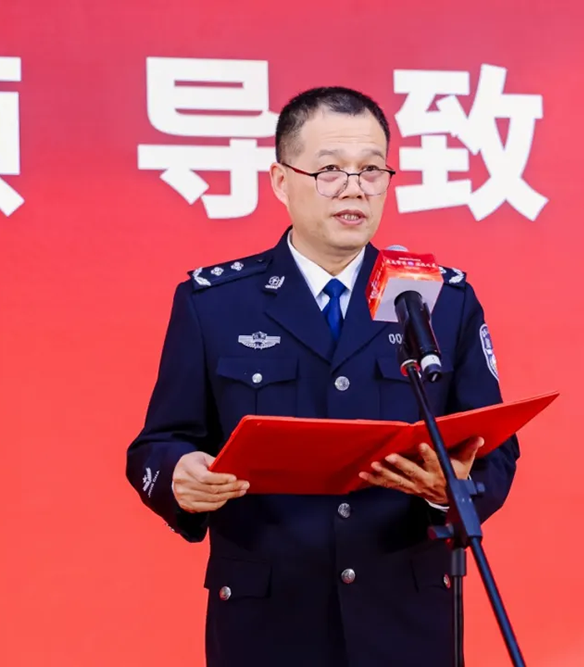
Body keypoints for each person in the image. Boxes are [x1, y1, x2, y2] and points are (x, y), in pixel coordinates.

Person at [125, 86, 521, 667]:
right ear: (281, 181)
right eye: (330, 170)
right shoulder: (214, 304)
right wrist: (178, 477)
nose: (354, 188)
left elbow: (496, 452)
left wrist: (453, 492)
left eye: (371, 170)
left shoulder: (439, 300)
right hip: (267, 626)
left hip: (406, 622)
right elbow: (158, 445)